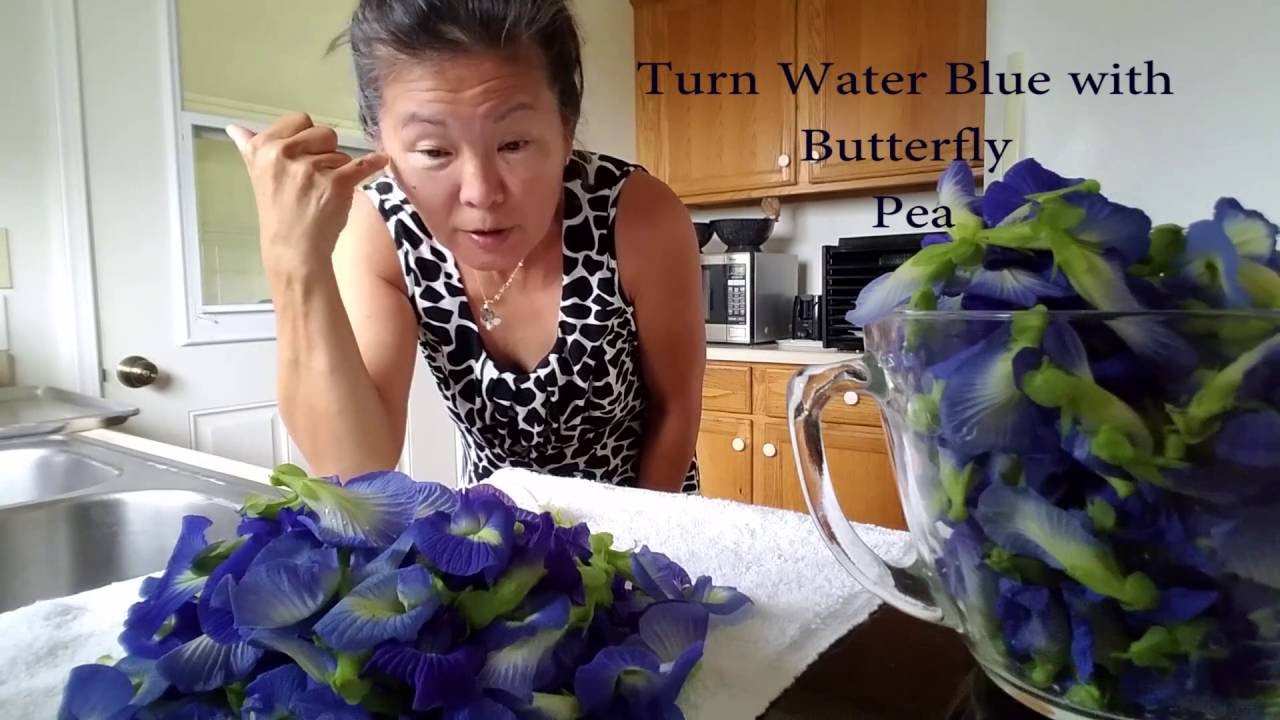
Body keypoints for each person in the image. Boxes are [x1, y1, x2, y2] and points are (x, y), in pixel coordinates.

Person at [226, 0, 705, 493]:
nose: (481, 192)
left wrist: (636, 550)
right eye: (434, 151)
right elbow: (357, 468)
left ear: (564, 130)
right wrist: (294, 259)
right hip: (493, 532)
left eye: (513, 144)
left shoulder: (636, 214)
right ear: (381, 145)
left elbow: (676, 408)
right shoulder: (382, 231)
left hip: (648, 512)